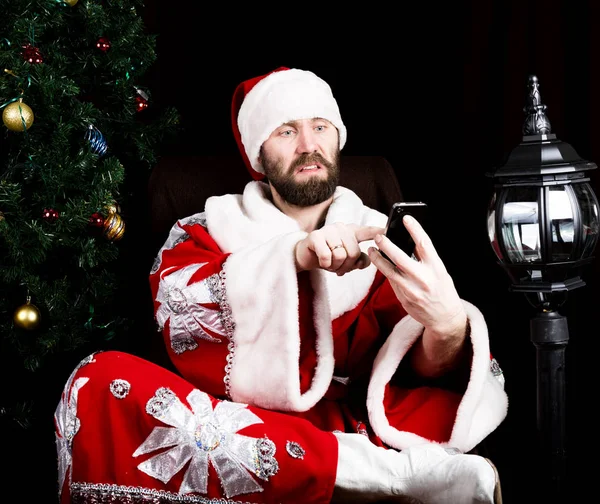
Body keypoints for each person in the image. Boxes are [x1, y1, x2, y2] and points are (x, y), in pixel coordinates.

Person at [54, 67, 508, 504]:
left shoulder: (382, 239)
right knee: (96, 380)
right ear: (258, 154)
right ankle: (383, 475)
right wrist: (294, 258)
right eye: (286, 131)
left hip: (349, 421)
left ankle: (356, 468)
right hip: (239, 422)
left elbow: (413, 372)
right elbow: (180, 319)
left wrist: (446, 327)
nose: (309, 145)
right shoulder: (206, 230)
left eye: (321, 127)